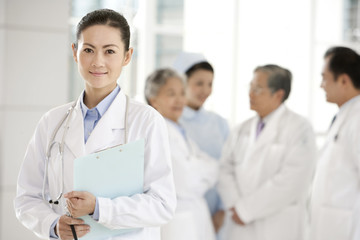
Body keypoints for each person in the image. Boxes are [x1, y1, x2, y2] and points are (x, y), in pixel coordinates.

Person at [14, 9, 176, 240]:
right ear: (75, 52)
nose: (98, 61)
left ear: (127, 56)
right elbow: (26, 197)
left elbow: (162, 204)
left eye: (109, 51)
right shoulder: (52, 122)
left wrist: (99, 208)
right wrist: (52, 224)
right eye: (88, 50)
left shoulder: (146, 121)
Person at [218, 64, 317, 240]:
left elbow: (292, 181)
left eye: (257, 89)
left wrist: (246, 210)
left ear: (278, 94)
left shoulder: (300, 129)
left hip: (277, 226)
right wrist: (235, 206)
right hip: (239, 226)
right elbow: (225, 168)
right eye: (250, 87)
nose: (250, 94)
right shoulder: (241, 129)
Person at [145, 68, 218, 240]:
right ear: (154, 100)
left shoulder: (179, 130)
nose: (179, 100)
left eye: (182, 93)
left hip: (194, 215)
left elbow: (214, 167)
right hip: (177, 221)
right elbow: (185, 182)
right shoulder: (159, 132)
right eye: (171, 94)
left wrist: (199, 169)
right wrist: (203, 170)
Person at [173, 52, 229, 234]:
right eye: (199, 83)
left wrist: (222, 210)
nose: (205, 90)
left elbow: (228, 168)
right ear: (182, 82)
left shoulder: (220, 124)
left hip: (217, 215)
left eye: (210, 84)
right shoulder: (171, 123)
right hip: (180, 216)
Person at [309, 46, 360, 240]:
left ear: (344, 80)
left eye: (325, 78)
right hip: (333, 227)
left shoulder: (357, 119)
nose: (322, 85)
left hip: (349, 229)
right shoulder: (344, 116)